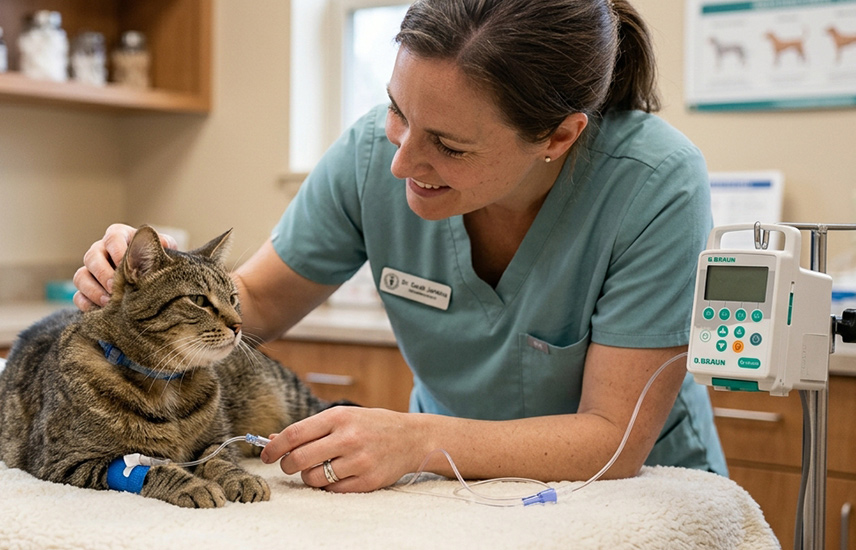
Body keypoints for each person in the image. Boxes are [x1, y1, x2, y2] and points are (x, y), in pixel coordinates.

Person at [73, 0, 727, 493]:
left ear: (557, 137)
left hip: (635, 496)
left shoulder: (653, 184)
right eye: (397, 111)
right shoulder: (371, 151)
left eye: (449, 145)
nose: (401, 161)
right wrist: (145, 293)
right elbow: (257, 304)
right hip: (448, 487)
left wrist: (416, 440)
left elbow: (609, 439)